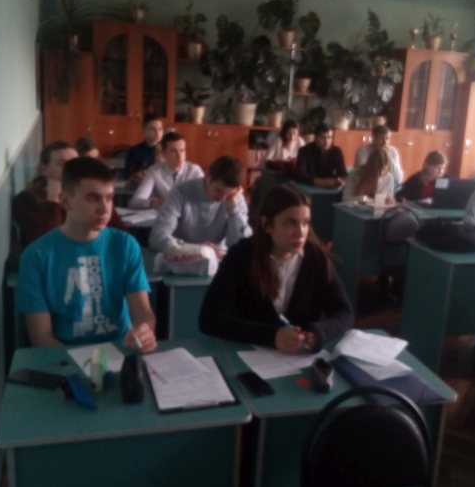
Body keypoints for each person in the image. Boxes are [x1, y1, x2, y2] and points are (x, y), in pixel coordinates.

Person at [16, 157, 157, 351]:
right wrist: (87, 363)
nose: (104, 208)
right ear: (65, 201)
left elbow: (142, 313)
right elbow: (41, 338)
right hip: (64, 356)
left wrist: (145, 332)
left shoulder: (125, 245)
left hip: (120, 350)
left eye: (109, 198)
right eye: (92, 198)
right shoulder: (36, 256)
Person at [199, 185, 353, 353]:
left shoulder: (316, 259)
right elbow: (209, 319)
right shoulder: (241, 255)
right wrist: (271, 336)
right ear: (267, 225)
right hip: (246, 355)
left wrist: (318, 333)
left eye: (305, 223)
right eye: (290, 224)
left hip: (296, 359)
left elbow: (344, 313)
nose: (300, 233)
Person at [12, 141, 126, 249]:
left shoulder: (89, 193)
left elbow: (121, 234)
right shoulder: (26, 199)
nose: (72, 169)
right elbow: (48, 244)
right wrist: (53, 198)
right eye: (62, 164)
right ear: (43, 169)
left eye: (75, 163)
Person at [148, 155, 252, 258]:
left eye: (228, 194)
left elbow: (241, 247)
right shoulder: (181, 192)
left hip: (218, 258)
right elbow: (157, 238)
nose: (222, 199)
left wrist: (234, 212)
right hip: (183, 256)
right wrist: (198, 249)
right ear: (208, 177)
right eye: (218, 191)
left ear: (237, 189)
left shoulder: (235, 199)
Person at [128, 131, 203, 209]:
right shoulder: (154, 171)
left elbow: (206, 199)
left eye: (182, 150)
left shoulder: (194, 171)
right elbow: (134, 202)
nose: (179, 156)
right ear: (164, 154)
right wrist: (154, 203)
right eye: (173, 151)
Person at [294, 123, 347, 189]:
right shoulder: (304, 151)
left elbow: (342, 173)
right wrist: (321, 182)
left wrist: (340, 181)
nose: (326, 141)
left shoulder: (336, 151)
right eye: (323, 137)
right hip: (309, 187)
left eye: (329, 137)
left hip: (330, 187)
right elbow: (300, 175)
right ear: (315, 138)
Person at [124, 114, 164, 185]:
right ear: (144, 130)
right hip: (141, 186)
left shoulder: (168, 149)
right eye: (152, 129)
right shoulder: (134, 151)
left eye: (160, 129)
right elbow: (129, 175)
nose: (157, 133)